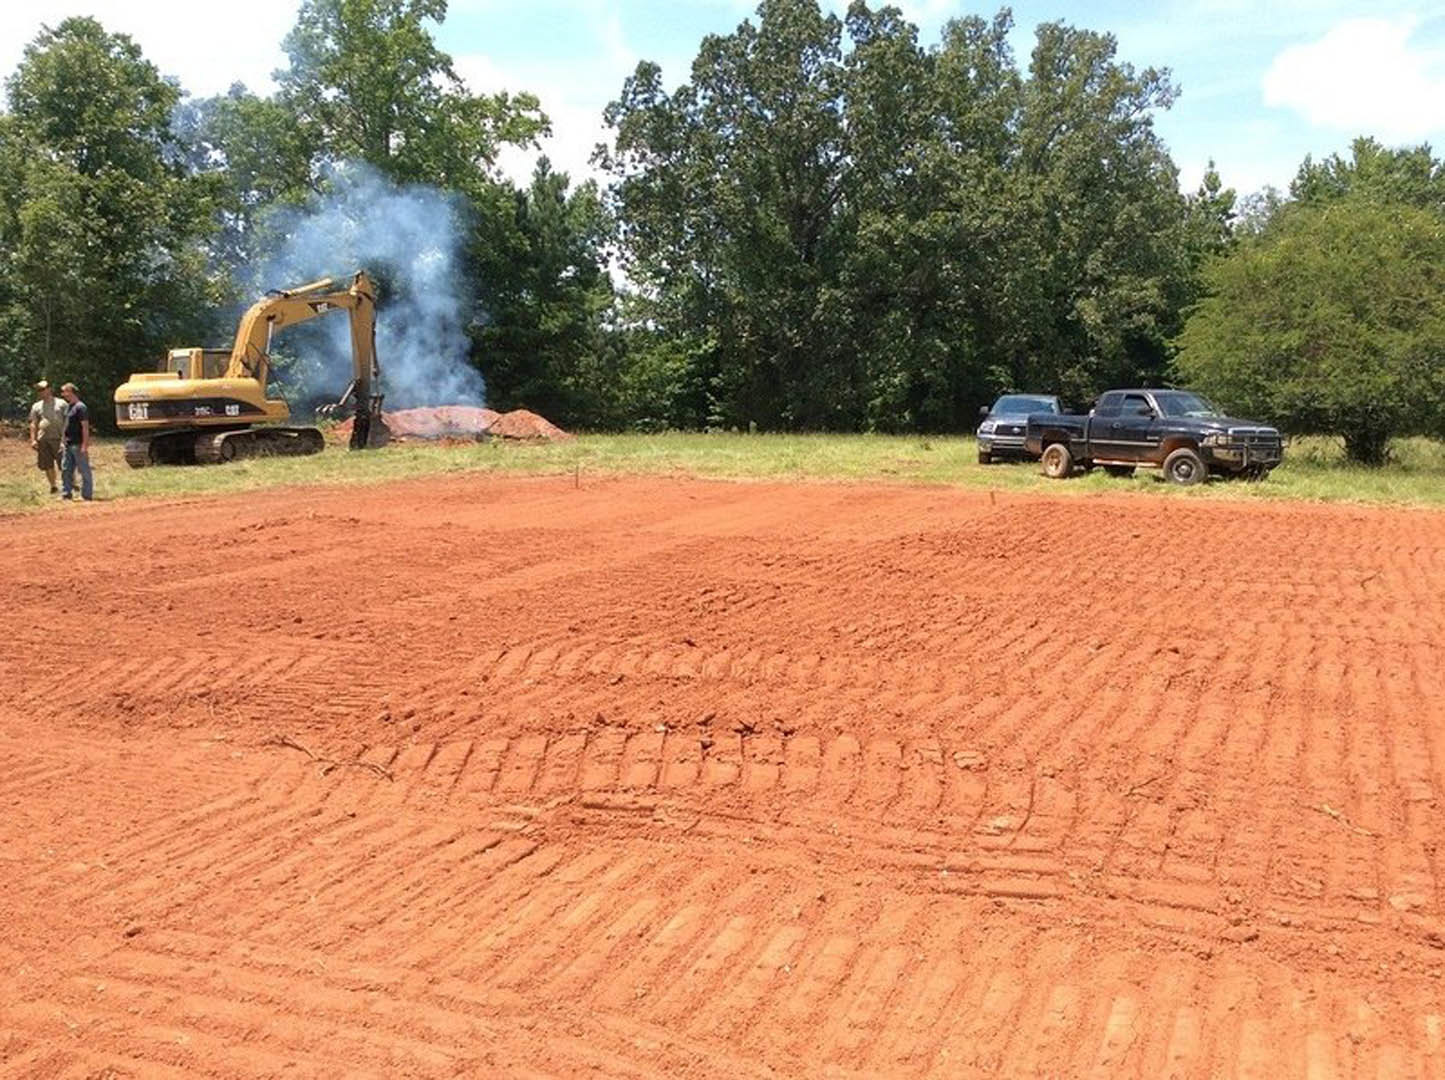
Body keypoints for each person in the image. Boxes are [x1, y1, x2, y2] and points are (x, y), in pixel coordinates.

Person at [28, 379, 66, 494]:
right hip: (43, 439)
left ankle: (69, 484)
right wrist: (33, 440)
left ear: (49, 389)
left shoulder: (62, 403)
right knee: (47, 464)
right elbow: (33, 423)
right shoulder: (36, 406)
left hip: (59, 438)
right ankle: (53, 486)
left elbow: (68, 422)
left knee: (64, 464)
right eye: (39, 390)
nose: (40, 392)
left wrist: (65, 439)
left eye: (42, 389)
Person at [58, 381, 93, 501]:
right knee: (66, 469)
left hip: (78, 443)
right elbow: (66, 425)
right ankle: (66, 494)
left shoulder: (81, 407)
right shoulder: (69, 407)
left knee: (83, 469)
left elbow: (85, 427)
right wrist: (63, 440)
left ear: (71, 392)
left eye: (65, 391)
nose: (63, 394)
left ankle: (87, 495)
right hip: (68, 443)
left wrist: (85, 444)